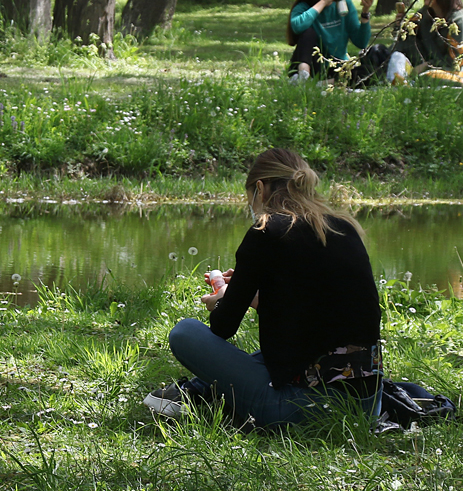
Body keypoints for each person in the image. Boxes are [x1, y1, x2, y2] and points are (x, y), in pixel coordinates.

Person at [143, 148, 382, 428]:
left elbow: (222, 327)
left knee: (185, 333)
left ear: (260, 188)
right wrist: (260, 297)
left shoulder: (266, 231)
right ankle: (200, 392)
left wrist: (222, 299)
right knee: (279, 355)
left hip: (298, 411)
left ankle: (200, 393)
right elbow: (320, 314)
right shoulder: (344, 228)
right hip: (367, 408)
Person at [287, 0, 374, 82]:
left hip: (336, 66)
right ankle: (304, 78)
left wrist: (365, 13)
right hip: (314, 64)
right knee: (307, 31)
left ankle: (323, 84)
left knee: (368, 72)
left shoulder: (346, 5)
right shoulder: (305, 7)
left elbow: (361, 42)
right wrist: (324, 1)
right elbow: (297, 26)